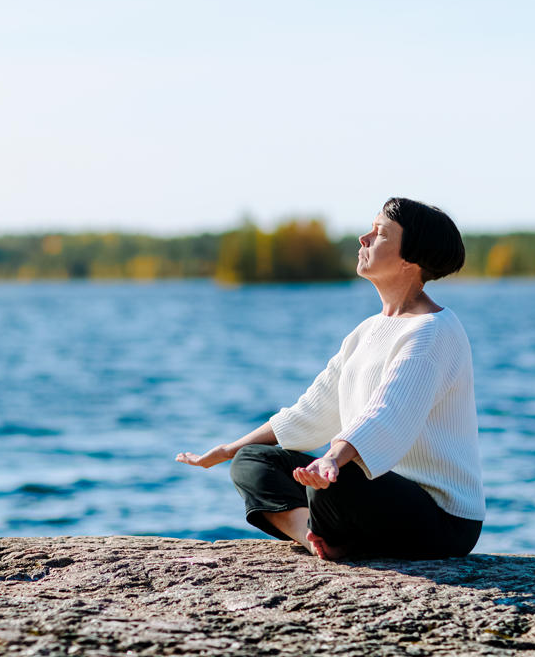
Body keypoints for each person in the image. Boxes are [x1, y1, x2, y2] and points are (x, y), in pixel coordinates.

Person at [177, 198, 484, 561]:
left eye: (380, 233)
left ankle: (336, 535)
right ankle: (313, 539)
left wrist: (333, 459)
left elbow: (388, 413)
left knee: (334, 482)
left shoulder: (433, 331)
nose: (363, 238)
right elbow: (312, 410)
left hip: (443, 519)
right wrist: (229, 450)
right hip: (373, 499)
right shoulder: (367, 331)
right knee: (253, 461)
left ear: (410, 256)